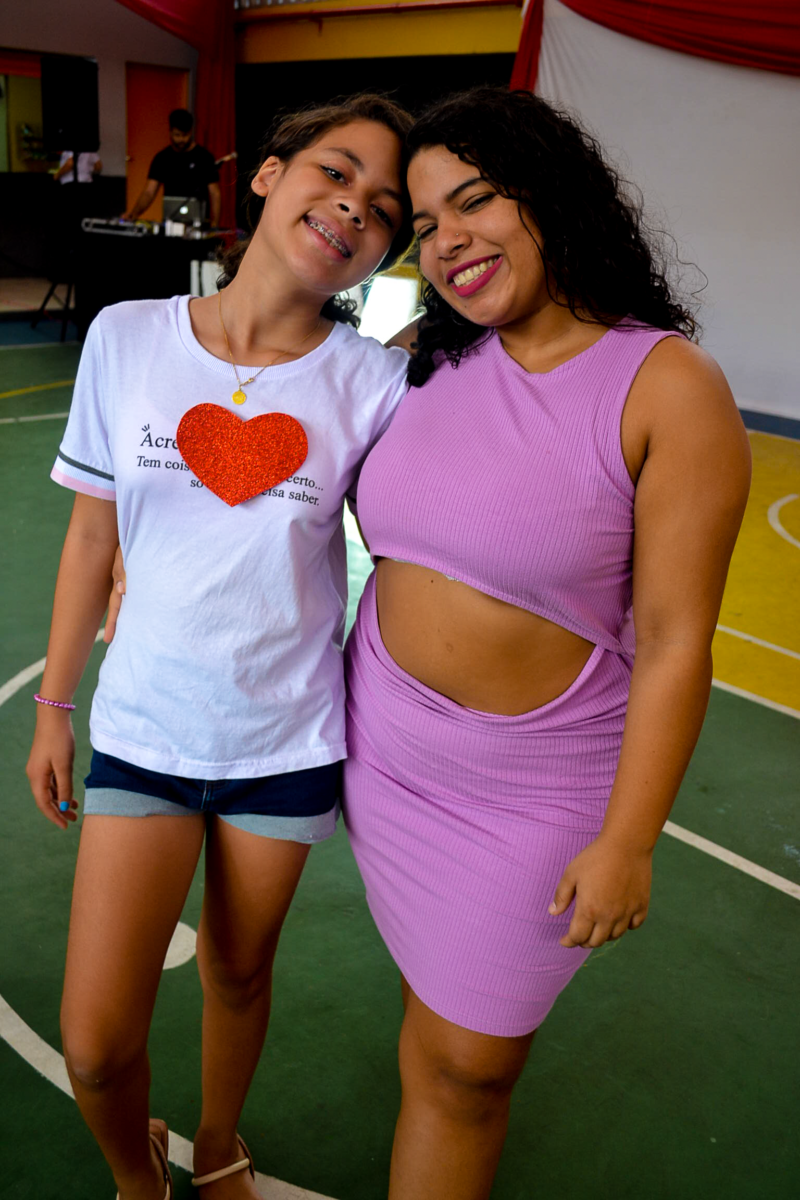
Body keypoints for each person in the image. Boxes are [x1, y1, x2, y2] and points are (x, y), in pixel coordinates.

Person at [341, 86, 752, 1199]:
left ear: (551, 195)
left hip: (532, 790)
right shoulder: (423, 357)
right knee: (439, 1021)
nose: (448, 241)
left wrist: (630, 840)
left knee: (470, 1068)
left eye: (475, 200)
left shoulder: (666, 384)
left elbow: (674, 640)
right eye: (426, 224)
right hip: (383, 752)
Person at [26, 93, 413, 1200]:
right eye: (336, 171)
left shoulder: (375, 384)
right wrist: (55, 708)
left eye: (386, 207)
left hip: (285, 740)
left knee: (241, 974)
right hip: (145, 729)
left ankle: (218, 1136)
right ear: (268, 174)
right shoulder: (127, 337)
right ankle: (135, 1172)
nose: (356, 206)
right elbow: (91, 536)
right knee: (96, 1043)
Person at [123, 108, 221, 226]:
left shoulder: (204, 157)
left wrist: (215, 223)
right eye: (177, 135)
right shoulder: (162, 158)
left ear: (191, 132)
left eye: (185, 135)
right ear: (170, 132)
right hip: (171, 223)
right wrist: (134, 214)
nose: (181, 140)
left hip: (198, 223)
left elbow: (214, 193)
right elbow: (149, 192)